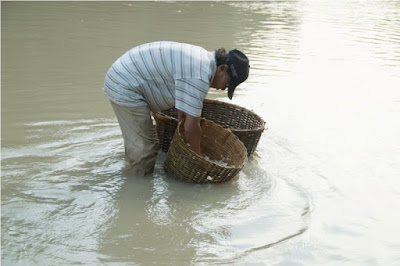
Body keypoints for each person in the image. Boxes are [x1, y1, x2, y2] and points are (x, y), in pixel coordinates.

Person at [102, 41, 249, 175]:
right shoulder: (200, 75)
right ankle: (136, 191)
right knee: (145, 149)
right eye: (228, 83)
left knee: (142, 142)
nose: (224, 88)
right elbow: (192, 127)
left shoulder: (202, 60)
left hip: (128, 75)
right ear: (222, 68)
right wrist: (198, 161)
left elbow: (179, 80)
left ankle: (134, 168)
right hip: (125, 84)